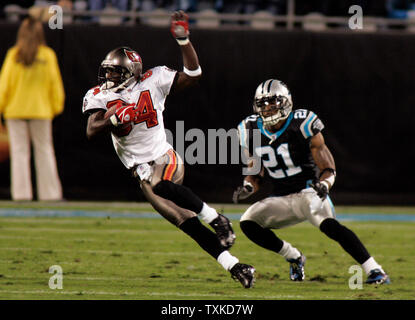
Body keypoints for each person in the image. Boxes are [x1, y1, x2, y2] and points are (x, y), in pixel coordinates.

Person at [82, 10, 255, 288]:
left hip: (165, 157)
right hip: (140, 172)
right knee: (185, 222)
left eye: (115, 71)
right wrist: (116, 116)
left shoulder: (154, 79)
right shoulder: (100, 95)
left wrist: (184, 41)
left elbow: (194, 74)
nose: (109, 76)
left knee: (161, 184)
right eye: (108, 70)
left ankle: (217, 218)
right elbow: (91, 129)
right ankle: (236, 267)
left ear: (131, 72)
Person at [233, 79, 390, 285]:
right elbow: (255, 172)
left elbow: (328, 167)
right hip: (280, 198)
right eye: (262, 103)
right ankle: (294, 257)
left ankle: (375, 270)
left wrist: (324, 185)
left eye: (272, 102)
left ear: (286, 102)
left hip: (308, 192)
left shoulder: (302, 124)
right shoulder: (249, 129)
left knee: (330, 226)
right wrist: (249, 186)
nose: (267, 108)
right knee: (247, 222)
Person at [0, 16, 64, 201]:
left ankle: (21, 195)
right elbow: (55, 86)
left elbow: (4, 86)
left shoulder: (14, 55)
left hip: (15, 111)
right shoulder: (47, 55)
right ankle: (50, 195)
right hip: (41, 111)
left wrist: (1, 107)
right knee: (44, 151)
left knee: (20, 153)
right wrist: (55, 107)